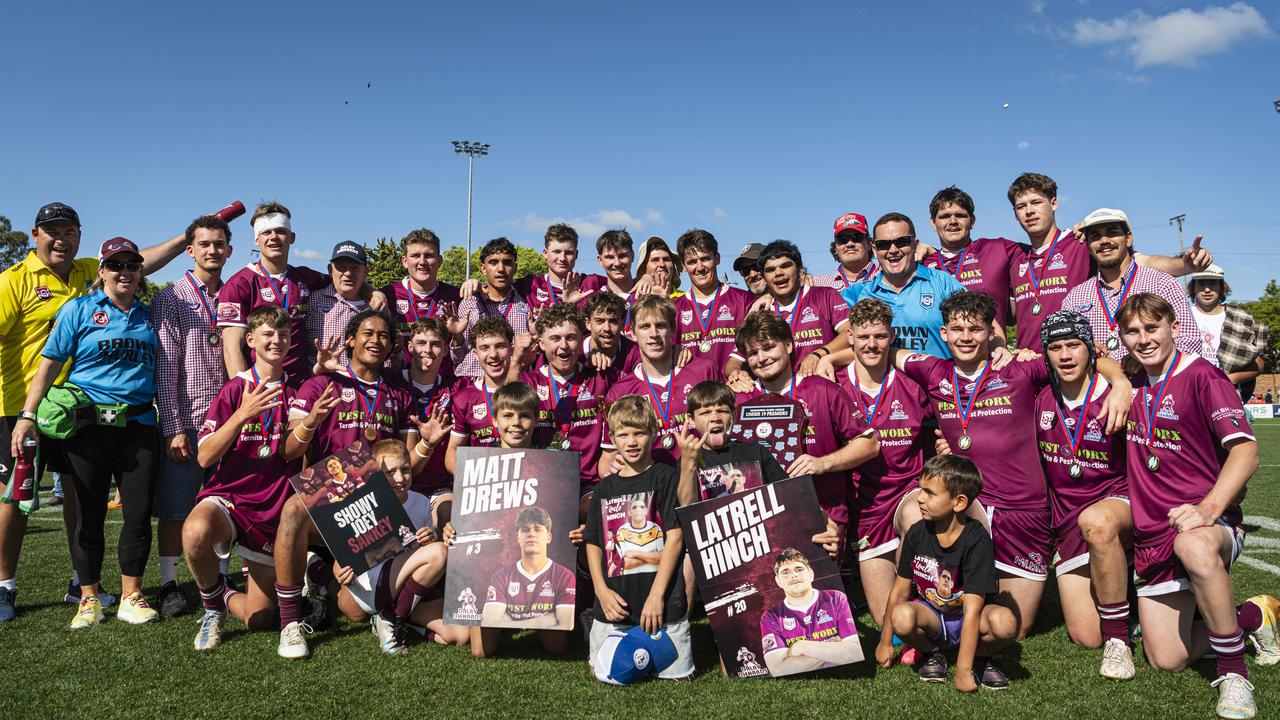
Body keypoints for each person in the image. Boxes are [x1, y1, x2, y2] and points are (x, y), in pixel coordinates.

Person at [892, 291, 1132, 643]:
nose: (965, 337)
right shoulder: (932, 370)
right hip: (969, 505)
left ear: (992, 332)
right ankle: (921, 614)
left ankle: (1127, 589)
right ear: (943, 334)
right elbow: (882, 350)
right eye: (956, 329)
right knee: (917, 509)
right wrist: (822, 356)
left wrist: (1122, 381)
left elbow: (1086, 357)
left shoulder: (1019, 368)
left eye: (975, 329)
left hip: (1023, 510)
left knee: (1015, 629)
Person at [1, 201, 189, 621]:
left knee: (134, 513)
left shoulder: (148, 314)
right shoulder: (73, 306)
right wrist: (28, 414)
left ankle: (127, 596)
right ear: (101, 271)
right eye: (116, 265)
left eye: (132, 265)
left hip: (137, 423)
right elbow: (49, 363)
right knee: (65, 508)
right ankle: (66, 594)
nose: (125, 271)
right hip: (74, 419)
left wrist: (187, 235)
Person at [1117, 293, 1278, 719]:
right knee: (1166, 659)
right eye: (1133, 331)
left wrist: (1207, 510)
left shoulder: (1204, 376)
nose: (1143, 339)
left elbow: (1246, 452)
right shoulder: (1129, 379)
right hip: (1153, 534)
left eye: (1152, 328)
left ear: (1173, 326)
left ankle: (1235, 674)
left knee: (1193, 546)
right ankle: (1251, 615)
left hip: (1207, 525)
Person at [273, 310, 450, 658]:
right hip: (329, 494)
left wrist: (427, 445)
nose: (375, 340)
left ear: (391, 346)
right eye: (367, 333)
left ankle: (323, 573)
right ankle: (290, 623)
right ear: (351, 339)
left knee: (353, 611)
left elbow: (406, 463)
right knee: (293, 508)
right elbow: (289, 450)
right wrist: (311, 421)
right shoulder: (322, 383)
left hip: (375, 503)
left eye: (383, 335)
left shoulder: (397, 392)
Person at [183, 306, 299, 649]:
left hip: (272, 510)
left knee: (260, 618)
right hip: (230, 499)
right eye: (267, 334)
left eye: (282, 334)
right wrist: (242, 415)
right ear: (250, 340)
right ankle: (212, 609)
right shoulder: (235, 389)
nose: (276, 340)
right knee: (195, 531)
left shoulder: (298, 391)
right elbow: (204, 455)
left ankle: (224, 593)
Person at [1032, 311, 1134, 678]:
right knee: (1086, 635)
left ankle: (1119, 642)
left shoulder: (1116, 394)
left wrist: (1120, 381)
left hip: (1117, 506)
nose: (1065, 355)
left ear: (1090, 349)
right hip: (1067, 522)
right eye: (1055, 347)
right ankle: (1130, 605)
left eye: (1073, 345)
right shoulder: (1042, 397)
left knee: (1099, 522)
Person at [1006, 172, 1212, 353]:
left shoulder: (1081, 241)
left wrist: (1185, 266)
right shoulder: (1016, 257)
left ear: (1054, 203)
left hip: (1075, 367)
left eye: (1036, 202)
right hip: (1029, 364)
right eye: (1021, 206)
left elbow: (1142, 261)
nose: (1029, 211)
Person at [732, 311, 880, 560]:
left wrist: (822, 463)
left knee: (818, 596)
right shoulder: (738, 400)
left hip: (823, 518)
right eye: (753, 353)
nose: (762, 358)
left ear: (788, 345)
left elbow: (870, 444)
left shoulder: (822, 389)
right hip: (759, 527)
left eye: (768, 348)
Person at [448, 382, 577, 658]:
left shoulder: (552, 463)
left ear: (536, 419)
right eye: (508, 416)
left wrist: (573, 528)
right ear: (494, 421)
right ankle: (502, 614)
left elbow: (563, 512)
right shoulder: (479, 464)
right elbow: (467, 515)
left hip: (539, 564)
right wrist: (452, 529)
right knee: (481, 652)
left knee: (556, 648)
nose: (516, 424)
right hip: (493, 565)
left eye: (524, 416)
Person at [151, 215, 235, 617]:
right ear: (190, 250)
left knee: (224, 503)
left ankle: (221, 575)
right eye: (204, 244)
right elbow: (165, 369)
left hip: (227, 420)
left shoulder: (235, 294)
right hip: (188, 419)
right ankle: (169, 583)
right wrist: (172, 427)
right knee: (175, 507)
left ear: (229, 250)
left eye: (219, 244)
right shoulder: (172, 297)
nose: (212, 251)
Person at [876, 455, 1017, 691]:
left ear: (959, 502)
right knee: (901, 615)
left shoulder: (977, 539)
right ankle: (933, 652)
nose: (919, 499)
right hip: (932, 616)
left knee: (1005, 622)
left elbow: (973, 610)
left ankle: (978, 659)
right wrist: (885, 641)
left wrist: (962, 672)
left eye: (929, 493)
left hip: (967, 617)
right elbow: (899, 592)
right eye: (921, 490)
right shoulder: (917, 533)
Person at [833, 299, 932, 627]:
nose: (872, 345)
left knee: (917, 515)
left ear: (892, 336)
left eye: (879, 336)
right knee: (887, 620)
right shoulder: (834, 384)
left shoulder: (913, 383)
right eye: (863, 337)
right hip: (865, 508)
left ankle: (934, 602)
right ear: (850, 337)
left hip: (908, 491)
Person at [586, 395, 693, 682]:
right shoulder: (604, 489)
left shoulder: (666, 478)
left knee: (677, 676)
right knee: (602, 673)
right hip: (615, 605)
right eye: (623, 434)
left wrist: (657, 597)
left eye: (639, 433)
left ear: (654, 434)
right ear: (613, 439)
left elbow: (675, 538)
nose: (631, 442)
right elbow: (593, 542)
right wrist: (601, 591)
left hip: (662, 606)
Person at [333, 440, 466, 654]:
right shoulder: (362, 504)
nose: (399, 478)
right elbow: (339, 562)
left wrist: (428, 540)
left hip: (407, 586)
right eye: (390, 472)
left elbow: (424, 555)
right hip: (374, 586)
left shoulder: (421, 502)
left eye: (405, 470)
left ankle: (401, 617)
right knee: (440, 552)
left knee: (459, 636)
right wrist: (341, 573)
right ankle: (391, 618)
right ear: (375, 475)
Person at [1060, 208, 1200, 362]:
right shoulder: (1075, 297)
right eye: (1095, 236)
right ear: (1087, 245)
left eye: (1112, 232)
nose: (1104, 241)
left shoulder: (1162, 283)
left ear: (1129, 239)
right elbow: (1066, 348)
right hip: (1099, 384)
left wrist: (1148, 369)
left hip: (1156, 384)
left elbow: (1189, 342)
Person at [599, 296, 719, 469]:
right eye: (645, 327)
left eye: (660, 325)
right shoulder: (620, 392)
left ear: (673, 330)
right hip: (655, 489)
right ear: (632, 333)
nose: (653, 334)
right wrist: (615, 469)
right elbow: (606, 462)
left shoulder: (704, 371)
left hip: (706, 478)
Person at [216, 202, 329, 386]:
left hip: (298, 389)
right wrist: (247, 394)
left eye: (280, 231)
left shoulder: (305, 277)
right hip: (261, 388)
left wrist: (370, 291)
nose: (274, 237)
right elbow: (232, 349)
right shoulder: (239, 284)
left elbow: (343, 278)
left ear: (292, 237)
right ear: (256, 239)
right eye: (266, 232)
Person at [840, 213, 968, 359]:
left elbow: (981, 320)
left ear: (915, 245)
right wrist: (823, 356)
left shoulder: (943, 282)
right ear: (874, 250)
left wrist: (998, 347)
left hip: (937, 381)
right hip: (886, 382)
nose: (893, 250)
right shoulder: (855, 294)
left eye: (902, 242)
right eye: (884, 244)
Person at [517, 303, 612, 493]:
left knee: (593, 509)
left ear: (581, 339)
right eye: (555, 338)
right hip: (538, 485)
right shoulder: (528, 382)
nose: (563, 346)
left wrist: (675, 350)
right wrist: (515, 361)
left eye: (571, 338)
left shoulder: (601, 376)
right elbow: (504, 409)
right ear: (541, 344)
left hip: (588, 484)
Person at [731, 240, 851, 377]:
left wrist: (818, 354)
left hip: (821, 385)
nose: (778, 273)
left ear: (799, 269)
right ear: (765, 276)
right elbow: (734, 361)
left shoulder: (825, 295)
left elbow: (849, 333)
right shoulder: (759, 310)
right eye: (770, 270)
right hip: (780, 391)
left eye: (785, 266)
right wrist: (737, 374)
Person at [919, 187, 1021, 329]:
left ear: (972, 221)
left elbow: (1043, 249)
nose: (953, 221)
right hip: (937, 351)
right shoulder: (921, 264)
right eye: (945, 216)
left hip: (990, 349)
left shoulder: (998, 249)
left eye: (960, 215)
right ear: (933, 223)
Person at [759, 548, 862, 676]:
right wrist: (833, 647)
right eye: (785, 572)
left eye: (799, 569)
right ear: (778, 581)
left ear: (811, 574)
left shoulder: (836, 598)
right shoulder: (771, 617)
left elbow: (856, 653)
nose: (793, 575)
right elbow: (778, 670)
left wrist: (802, 647)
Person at [399, 318, 458, 527]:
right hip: (398, 486)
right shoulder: (392, 383)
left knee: (447, 517)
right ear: (409, 347)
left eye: (435, 344)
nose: (428, 349)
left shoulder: (456, 387)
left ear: (445, 349)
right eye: (421, 343)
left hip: (439, 487)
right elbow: (410, 467)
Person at [673, 229, 754, 375]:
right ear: (684, 266)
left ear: (717, 258)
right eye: (692, 262)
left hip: (735, 391)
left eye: (705, 259)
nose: (699, 268)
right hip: (691, 394)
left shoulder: (745, 300)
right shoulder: (674, 309)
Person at [480, 506, 576, 629]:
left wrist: (507, 621)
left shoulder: (564, 576)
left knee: (554, 642)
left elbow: (565, 625)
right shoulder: (501, 577)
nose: (531, 534)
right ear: (517, 538)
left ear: (549, 537)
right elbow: (489, 623)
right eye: (525, 530)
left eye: (538, 529)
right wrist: (542, 621)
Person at [452, 237, 532, 379]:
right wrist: (457, 337)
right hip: (472, 381)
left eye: (507, 262)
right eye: (494, 262)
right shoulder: (470, 302)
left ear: (516, 267)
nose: (501, 269)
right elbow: (459, 358)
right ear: (483, 268)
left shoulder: (525, 304)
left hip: (511, 383)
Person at [445, 317, 517, 474]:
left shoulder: (528, 388)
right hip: (482, 485)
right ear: (476, 354)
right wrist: (472, 480)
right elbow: (453, 451)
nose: (493, 354)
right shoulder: (464, 398)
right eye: (484, 348)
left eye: (500, 346)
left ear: (511, 349)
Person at [1187, 264, 1268, 401]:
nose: (1207, 289)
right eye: (1201, 284)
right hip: (1189, 391)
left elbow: (1259, 366)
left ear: (1222, 287)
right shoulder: (1182, 315)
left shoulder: (1241, 317)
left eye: (1213, 284)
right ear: (1193, 288)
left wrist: (1230, 379)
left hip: (1227, 394)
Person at [381, 228, 462, 343]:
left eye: (429, 255)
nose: (422, 262)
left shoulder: (455, 296)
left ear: (439, 261)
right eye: (415, 255)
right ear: (404, 261)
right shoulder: (388, 295)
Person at [305, 241, 372, 369]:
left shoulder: (376, 307)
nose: (348, 273)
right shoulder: (312, 300)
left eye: (354, 268)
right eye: (341, 267)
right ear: (330, 270)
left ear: (365, 272)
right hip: (319, 384)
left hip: (360, 387)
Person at [513, 224, 605, 311]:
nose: (562, 258)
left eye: (568, 253)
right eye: (556, 252)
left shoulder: (593, 283)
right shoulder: (529, 284)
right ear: (545, 253)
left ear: (576, 255)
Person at [811, 213, 879, 289]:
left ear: (869, 244)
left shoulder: (887, 276)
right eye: (842, 239)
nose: (850, 244)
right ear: (835, 248)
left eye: (856, 237)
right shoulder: (816, 285)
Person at [582, 292, 640, 373]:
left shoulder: (635, 354)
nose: (607, 328)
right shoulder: (575, 352)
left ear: (623, 323)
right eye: (600, 321)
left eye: (613, 321)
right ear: (588, 323)